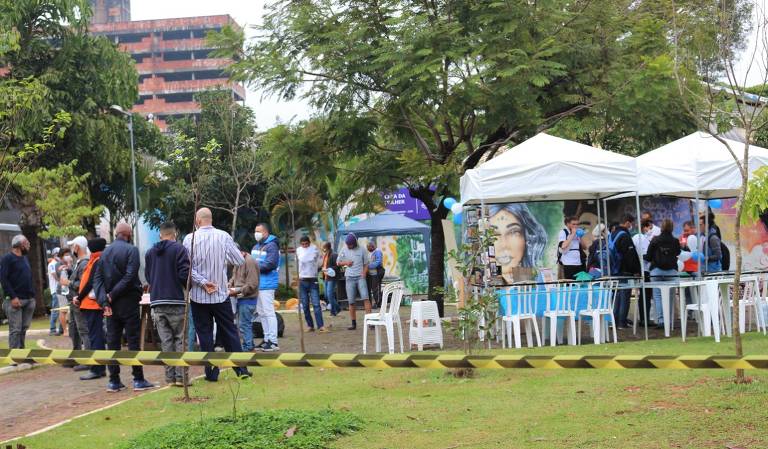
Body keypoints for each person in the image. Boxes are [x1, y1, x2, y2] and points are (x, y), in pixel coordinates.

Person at [183, 208, 251, 381]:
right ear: (210, 219)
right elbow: (239, 260)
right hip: (221, 294)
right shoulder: (223, 236)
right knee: (229, 332)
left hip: (199, 296)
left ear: (197, 220)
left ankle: (211, 374)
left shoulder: (189, 239)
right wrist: (221, 263)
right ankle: (241, 370)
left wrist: (203, 282)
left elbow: (187, 268)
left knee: (204, 335)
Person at [100, 223, 155, 392]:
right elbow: (130, 275)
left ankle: (114, 380)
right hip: (128, 301)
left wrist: (107, 299)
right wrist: (113, 294)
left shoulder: (105, 252)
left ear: (117, 234)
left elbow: (100, 278)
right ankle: (138, 378)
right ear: (128, 234)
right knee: (132, 340)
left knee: (113, 341)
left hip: (111, 304)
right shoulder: (132, 250)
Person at [145, 222, 190, 385]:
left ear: (160, 234)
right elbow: (184, 274)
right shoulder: (179, 249)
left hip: (157, 302)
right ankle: (181, 378)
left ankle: (169, 378)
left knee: (166, 341)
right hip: (176, 300)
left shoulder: (150, 253)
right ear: (175, 234)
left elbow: (149, 277)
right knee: (180, 340)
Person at [489, 204, 547, 283]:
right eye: (492, 234)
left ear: (527, 237)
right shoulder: (486, 286)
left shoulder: (532, 278)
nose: (504, 245)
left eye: (513, 232)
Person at [76, 238, 108, 381]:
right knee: (96, 336)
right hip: (90, 304)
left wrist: (79, 296)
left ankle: (97, 368)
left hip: (92, 304)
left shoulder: (97, 261)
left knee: (96, 337)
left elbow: (90, 283)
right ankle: (98, 367)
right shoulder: (96, 260)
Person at [0, 235, 36, 349]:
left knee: (23, 328)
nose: (29, 245)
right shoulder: (7, 258)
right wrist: (13, 297)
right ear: (20, 245)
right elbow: (3, 279)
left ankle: (22, 353)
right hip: (15, 300)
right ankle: (14, 357)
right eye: (26, 243)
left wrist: (32, 297)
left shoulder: (24, 258)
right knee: (15, 329)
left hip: (28, 299)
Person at [645, 219, 681, 328]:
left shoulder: (655, 240)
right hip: (672, 271)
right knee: (670, 296)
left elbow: (648, 256)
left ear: (661, 227)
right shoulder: (675, 241)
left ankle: (661, 321)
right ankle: (669, 321)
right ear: (672, 228)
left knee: (657, 296)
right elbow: (678, 252)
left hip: (656, 271)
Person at [251, 223, 281, 352]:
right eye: (255, 231)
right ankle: (267, 338)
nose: (256, 233)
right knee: (262, 313)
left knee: (268, 313)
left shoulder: (272, 246)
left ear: (265, 232)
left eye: (259, 231)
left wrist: (254, 268)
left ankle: (273, 341)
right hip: (258, 284)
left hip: (267, 284)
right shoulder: (256, 246)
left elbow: (271, 264)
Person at [64, 236, 91, 370]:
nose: (71, 248)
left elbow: (83, 284)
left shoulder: (84, 262)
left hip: (78, 302)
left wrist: (68, 282)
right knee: (74, 330)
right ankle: (77, 357)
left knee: (83, 330)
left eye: (73, 245)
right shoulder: (79, 262)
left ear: (77, 247)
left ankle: (88, 360)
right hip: (74, 302)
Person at [609, 214, 641, 329]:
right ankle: (622, 322)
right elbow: (630, 255)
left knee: (617, 296)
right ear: (627, 223)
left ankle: (615, 320)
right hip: (624, 270)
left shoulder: (612, 234)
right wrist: (636, 270)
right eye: (631, 223)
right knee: (624, 296)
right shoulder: (625, 236)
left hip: (614, 269)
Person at [228, 244, 260, 351]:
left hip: (248, 298)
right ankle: (248, 346)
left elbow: (252, 284)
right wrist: (229, 285)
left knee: (244, 324)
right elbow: (234, 276)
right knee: (243, 324)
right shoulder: (238, 261)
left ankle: (249, 347)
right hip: (241, 298)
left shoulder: (249, 261)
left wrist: (236, 291)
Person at [337, 233, 369, 330]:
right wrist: (346, 263)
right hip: (349, 278)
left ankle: (370, 322)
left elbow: (366, 264)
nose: (349, 246)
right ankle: (353, 323)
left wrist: (364, 273)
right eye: (348, 244)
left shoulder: (362, 249)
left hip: (360, 277)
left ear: (355, 243)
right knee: (351, 301)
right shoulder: (344, 249)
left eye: (350, 245)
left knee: (365, 298)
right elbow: (338, 262)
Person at [297, 235, 325, 332]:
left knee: (316, 304)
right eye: (303, 244)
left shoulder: (314, 249)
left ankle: (321, 325)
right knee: (305, 305)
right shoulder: (298, 250)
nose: (304, 245)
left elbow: (318, 261)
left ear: (309, 243)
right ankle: (310, 325)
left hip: (312, 279)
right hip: (302, 280)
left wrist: (316, 269)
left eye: (306, 244)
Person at [632, 220, 654, 326]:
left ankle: (643, 318)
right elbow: (645, 255)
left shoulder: (636, 237)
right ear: (644, 227)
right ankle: (645, 319)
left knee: (643, 295)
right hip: (644, 269)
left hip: (640, 268)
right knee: (646, 296)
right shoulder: (641, 238)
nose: (650, 230)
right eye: (649, 228)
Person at [557, 216, 585, 280]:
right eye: (573, 224)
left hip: (578, 262)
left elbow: (584, 247)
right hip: (568, 263)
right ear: (568, 224)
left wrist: (580, 237)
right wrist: (572, 234)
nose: (576, 226)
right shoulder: (563, 232)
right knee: (570, 283)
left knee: (579, 282)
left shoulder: (577, 233)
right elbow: (563, 246)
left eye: (577, 224)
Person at [55, 249, 72, 337]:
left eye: (69, 254)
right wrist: (68, 265)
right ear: (62, 255)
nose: (68, 256)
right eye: (66, 254)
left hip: (69, 290)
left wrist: (69, 264)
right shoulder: (59, 264)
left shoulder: (69, 263)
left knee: (68, 311)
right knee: (63, 310)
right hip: (62, 291)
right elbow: (60, 277)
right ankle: (65, 330)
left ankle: (68, 329)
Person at [47, 248, 63, 336]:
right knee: (56, 310)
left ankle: (61, 328)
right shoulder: (52, 264)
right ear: (55, 255)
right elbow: (55, 275)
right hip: (55, 290)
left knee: (62, 310)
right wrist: (62, 281)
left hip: (60, 290)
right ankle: (52, 329)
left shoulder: (58, 264)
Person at [321, 242, 340, 316]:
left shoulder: (334, 255)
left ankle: (333, 311)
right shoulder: (325, 255)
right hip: (325, 277)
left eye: (324, 247)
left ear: (327, 247)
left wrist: (328, 269)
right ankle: (337, 308)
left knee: (329, 295)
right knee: (326, 295)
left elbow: (337, 266)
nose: (323, 249)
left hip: (331, 278)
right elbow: (324, 265)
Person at [366, 241, 385, 309]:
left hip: (376, 273)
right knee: (373, 289)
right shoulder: (371, 252)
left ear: (372, 246)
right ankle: (374, 302)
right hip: (371, 274)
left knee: (376, 288)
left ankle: (378, 303)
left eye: (368, 248)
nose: (368, 249)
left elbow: (378, 262)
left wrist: (368, 266)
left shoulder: (378, 252)